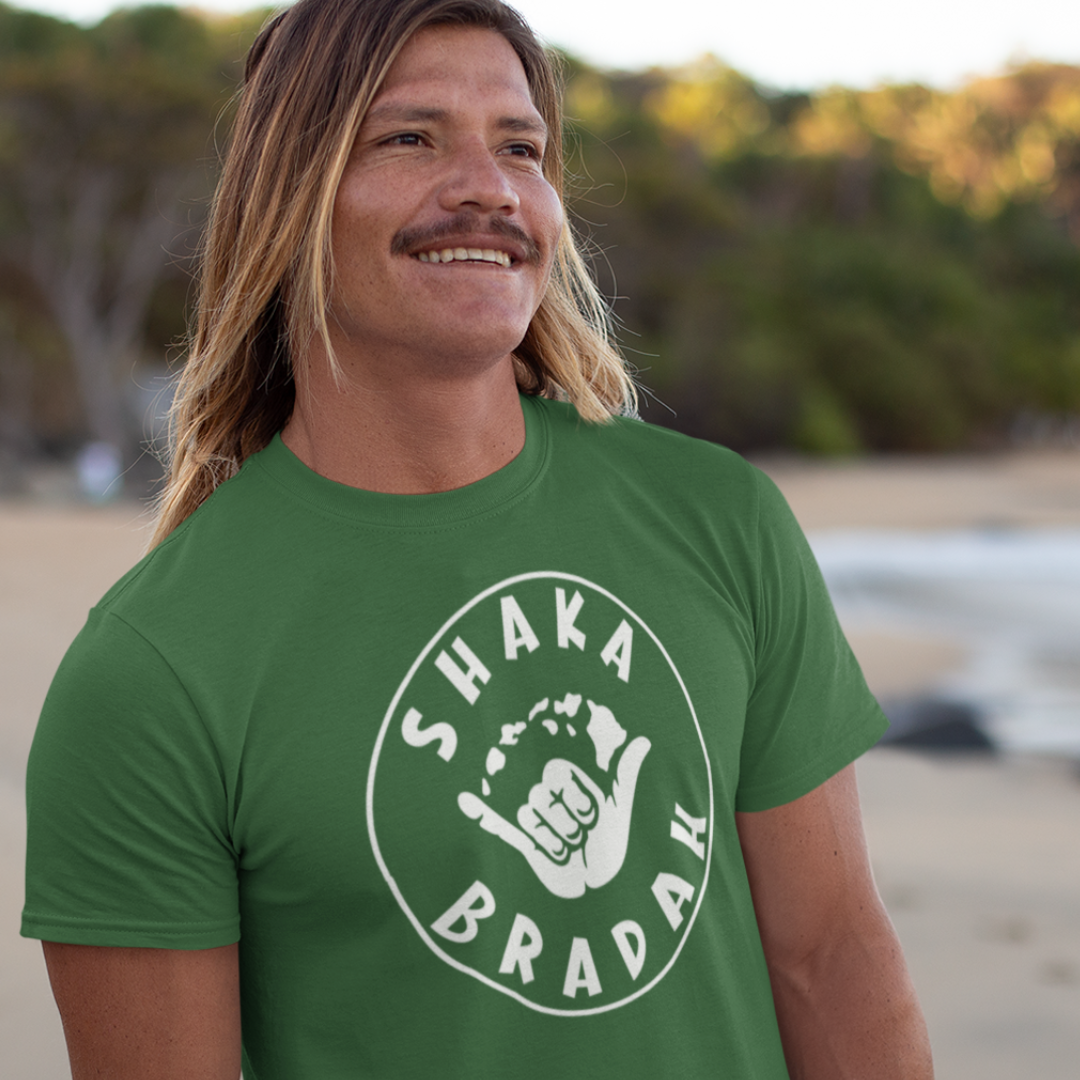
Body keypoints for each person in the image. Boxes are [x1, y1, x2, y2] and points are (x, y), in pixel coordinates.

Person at [22, 0, 933, 1077]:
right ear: (290, 196)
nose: (490, 188)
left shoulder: (720, 520)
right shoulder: (153, 671)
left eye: (520, 148)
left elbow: (833, 959)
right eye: (410, 138)